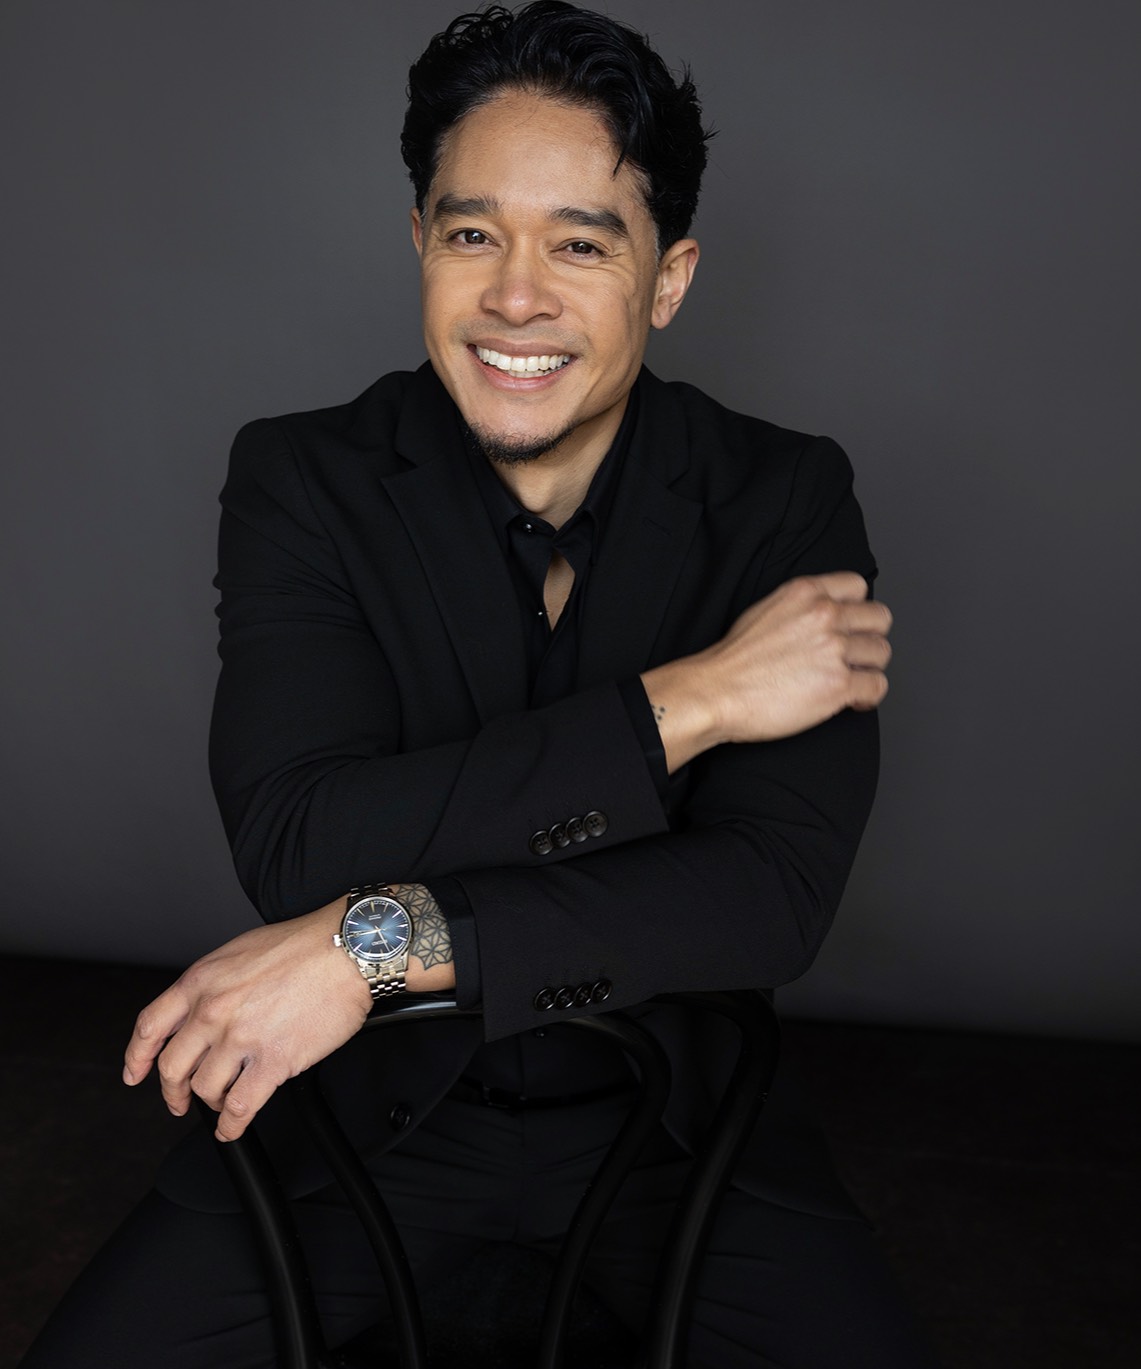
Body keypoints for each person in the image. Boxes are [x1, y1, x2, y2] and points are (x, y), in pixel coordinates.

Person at [22, 3, 936, 1365]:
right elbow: (301, 838)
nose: (516, 296)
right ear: (418, 245)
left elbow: (766, 896)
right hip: (354, 1113)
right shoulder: (303, 479)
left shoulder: (783, 496)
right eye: (472, 236)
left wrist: (372, 946)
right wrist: (691, 702)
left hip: (675, 1132)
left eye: (581, 243)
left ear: (668, 278)